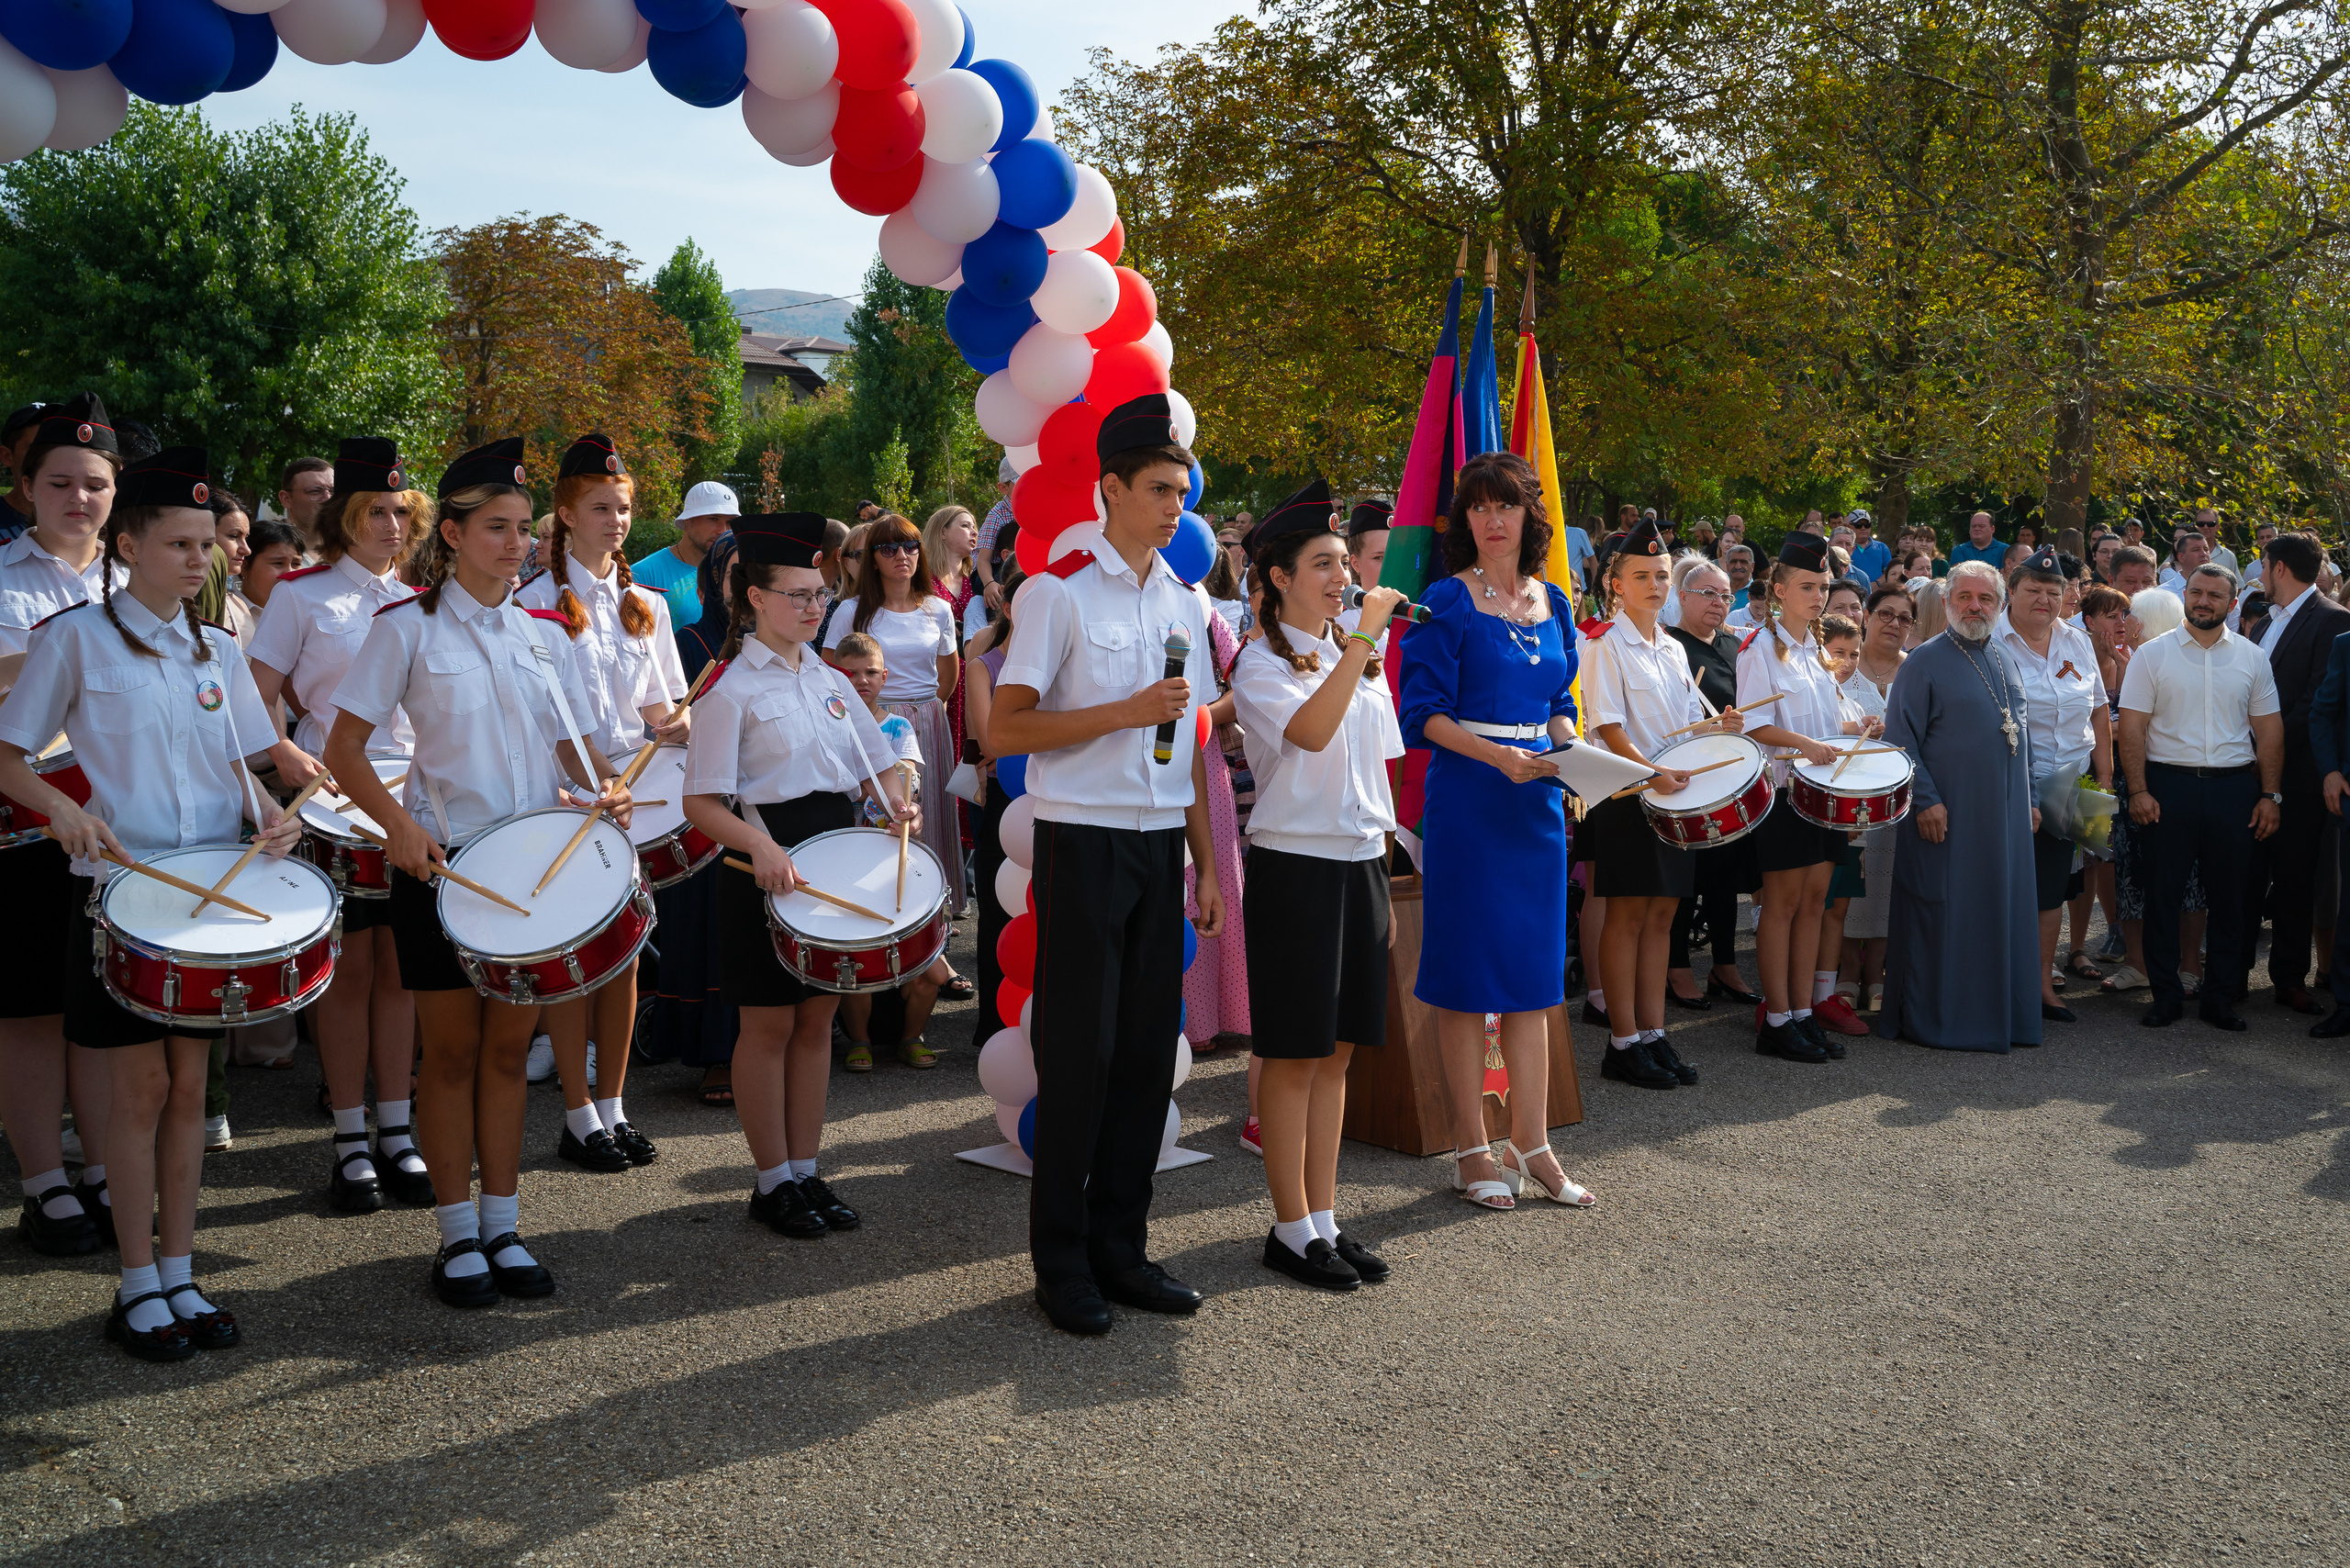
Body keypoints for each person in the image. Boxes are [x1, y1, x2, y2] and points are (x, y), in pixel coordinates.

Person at [0, 444, 308, 1359]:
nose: (198, 559)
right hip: (122, 898)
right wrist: (62, 810)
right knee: (135, 1092)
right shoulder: (74, 639)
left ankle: (181, 1271)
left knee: (187, 1092)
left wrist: (273, 818)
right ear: (127, 542)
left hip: (211, 896)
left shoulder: (218, 646)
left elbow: (247, 764)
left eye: (208, 544)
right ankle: (137, 1282)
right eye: (177, 542)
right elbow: (9, 756)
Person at [326, 439, 634, 1309]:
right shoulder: (406, 631)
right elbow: (344, 747)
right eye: (495, 527)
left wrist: (596, 792)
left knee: (509, 1052)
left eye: (523, 529)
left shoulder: (544, 634)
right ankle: (457, 1235)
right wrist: (396, 830)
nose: (515, 543)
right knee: (453, 1055)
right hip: (447, 869)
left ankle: (504, 1223)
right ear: (452, 535)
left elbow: (564, 750)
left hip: (534, 870)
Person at [987, 393, 1226, 1335]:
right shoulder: (1059, 590)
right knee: (1077, 1060)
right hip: (1080, 839)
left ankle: (1123, 1249)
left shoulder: (1185, 597)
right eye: (1160, 489)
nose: (1176, 506)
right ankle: (1062, 1264)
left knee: (1139, 1060)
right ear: (1111, 489)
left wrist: (1206, 865)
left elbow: (1195, 742)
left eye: (1183, 490)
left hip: (1159, 842)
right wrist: (1119, 713)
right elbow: (1004, 726)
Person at [682, 512, 907, 1238]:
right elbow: (700, 802)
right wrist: (761, 846)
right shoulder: (727, 688)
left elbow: (876, 759)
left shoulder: (827, 676)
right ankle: (770, 1179)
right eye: (799, 595)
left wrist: (897, 797)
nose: (816, 606)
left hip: (833, 852)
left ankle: (807, 1171)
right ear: (755, 598)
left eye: (820, 593)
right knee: (769, 1025)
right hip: (765, 864)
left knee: (816, 1022)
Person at [248, 438, 438, 1212]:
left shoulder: (430, 599)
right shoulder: (300, 594)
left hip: (415, 799)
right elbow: (254, 692)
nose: (391, 526)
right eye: (374, 512)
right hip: (335, 800)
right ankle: (350, 1135)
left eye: (402, 512)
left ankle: (398, 1128)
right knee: (349, 973)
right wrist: (285, 751)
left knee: (402, 972)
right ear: (342, 518)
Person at [1229, 500, 1411, 1289]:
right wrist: (1365, 641)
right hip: (1295, 864)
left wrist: (1388, 872)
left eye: (1347, 563)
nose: (1345, 578)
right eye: (1326, 566)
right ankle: (1288, 1226)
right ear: (1278, 578)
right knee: (1294, 1052)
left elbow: (1377, 770)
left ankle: (1326, 1217)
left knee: (1337, 1054)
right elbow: (1308, 734)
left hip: (1358, 861)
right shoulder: (1258, 662)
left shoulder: (1353, 655)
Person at [1400, 450, 1584, 1210]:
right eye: (1478, 507)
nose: (1492, 519)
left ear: (1529, 516)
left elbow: (1558, 696)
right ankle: (1472, 1147)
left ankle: (1532, 1141)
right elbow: (1423, 715)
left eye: (1505, 505)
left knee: (1534, 985)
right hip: (1472, 799)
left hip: (1538, 802)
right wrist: (1498, 758)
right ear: (1464, 521)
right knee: (1466, 983)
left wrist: (1572, 753)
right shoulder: (1444, 601)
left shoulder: (1556, 602)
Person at [518, 434, 690, 1169]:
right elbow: (546, 722)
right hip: (568, 799)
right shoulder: (529, 606)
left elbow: (665, 711)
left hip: (632, 803)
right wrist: (595, 785)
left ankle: (613, 1107)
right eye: (600, 507)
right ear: (564, 512)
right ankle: (577, 1112)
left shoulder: (642, 603)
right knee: (572, 957)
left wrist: (681, 722)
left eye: (623, 508)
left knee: (620, 956)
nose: (616, 520)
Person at [0, 397, 123, 1261]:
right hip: (30, 819)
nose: (79, 499)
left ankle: (105, 1168)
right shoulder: (4, 580)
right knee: (35, 1010)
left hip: (129, 826)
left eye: (96, 485)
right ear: (25, 488)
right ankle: (45, 1181)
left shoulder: (139, 576)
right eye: (60, 483)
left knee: (102, 1005)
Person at [1582, 521, 1745, 1090]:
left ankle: (1653, 1033)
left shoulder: (1672, 648)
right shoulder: (1604, 642)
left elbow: (1675, 726)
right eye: (1641, 576)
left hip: (1673, 794)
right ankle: (1621, 1040)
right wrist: (1653, 772)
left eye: (1660, 576)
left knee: (1663, 917)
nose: (1654, 585)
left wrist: (1713, 726)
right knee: (1627, 919)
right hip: (1629, 794)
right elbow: (1605, 724)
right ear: (1616, 583)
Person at [1876, 562, 2043, 1049]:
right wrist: (1926, 800)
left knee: (2000, 911)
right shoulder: (1924, 662)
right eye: (1965, 597)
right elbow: (1899, 740)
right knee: (1945, 913)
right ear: (1948, 602)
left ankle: (2002, 1017)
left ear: (2000, 604)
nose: (1975, 607)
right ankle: (1942, 1021)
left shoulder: (2006, 656)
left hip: (2006, 816)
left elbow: (2022, 736)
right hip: (1947, 815)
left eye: (1985, 599)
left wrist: (2030, 800)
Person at [2117, 563, 2282, 1030]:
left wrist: (2271, 795)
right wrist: (2139, 790)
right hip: (2167, 787)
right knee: (2163, 895)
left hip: (2234, 789)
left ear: (2232, 605)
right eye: (2196, 592)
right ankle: (2165, 996)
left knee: (2231, 899)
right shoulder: (2152, 655)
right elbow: (2132, 727)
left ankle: (2220, 998)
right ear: (2184, 595)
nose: (2203, 601)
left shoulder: (2252, 657)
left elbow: (2270, 731)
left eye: (2214, 595)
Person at [1737, 533, 1850, 1063]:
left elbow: (1827, 723)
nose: (1818, 595)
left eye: (1823, 586)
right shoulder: (1760, 647)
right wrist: (1806, 744)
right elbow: (1755, 727)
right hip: (1783, 792)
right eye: (1807, 586)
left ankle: (1802, 1013)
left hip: (1822, 795)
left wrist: (1857, 724)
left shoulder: (1820, 654)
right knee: (1781, 908)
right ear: (1779, 589)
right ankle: (1776, 1018)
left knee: (1812, 905)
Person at [822, 512, 967, 922]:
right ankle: (886, 910)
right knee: (885, 817)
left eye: (910, 546)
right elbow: (829, 670)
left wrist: (923, 708)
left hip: (926, 719)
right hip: (872, 721)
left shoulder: (938, 609)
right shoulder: (851, 610)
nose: (901, 555)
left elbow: (948, 672)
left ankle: (933, 910)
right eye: (888, 548)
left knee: (930, 813)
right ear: (873, 559)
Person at [2230, 534, 2349, 1015]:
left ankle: (2289, 978)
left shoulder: (2333, 620)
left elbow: (2317, 702)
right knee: (2243, 877)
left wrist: (2268, 747)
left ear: (2278, 567)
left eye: (2261, 564)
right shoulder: (2261, 625)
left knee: (2296, 879)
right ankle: (2233, 973)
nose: (2258, 573)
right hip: (2248, 773)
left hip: (2299, 776)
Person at [1995, 547, 2112, 1027]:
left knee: (2057, 889)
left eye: (2054, 591)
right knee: (2012, 887)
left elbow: (2099, 709)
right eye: (2033, 590)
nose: (2044, 599)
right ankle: (2004, 984)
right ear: (2013, 591)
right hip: (2017, 786)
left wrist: (2104, 780)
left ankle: (2042, 986)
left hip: (2076, 786)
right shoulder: (1991, 643)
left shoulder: (2077, 640)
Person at [829, 630, 955, 1070]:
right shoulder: (828, 724)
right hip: (847, 857)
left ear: (885, 677)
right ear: (834, 676)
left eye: (869, 673)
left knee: (932, 973)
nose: (860, 681)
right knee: (854, 962)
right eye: (849, 673)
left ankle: (911, 1037)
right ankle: (859, 1040)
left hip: (894, 854)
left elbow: (908, 782)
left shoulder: (898, 727)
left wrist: (893, 796)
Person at [1664, 559, 1763, 1011]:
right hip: (1685, 771)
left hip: (1731, 770)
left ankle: (1725, 964)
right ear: (1682, 598)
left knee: (1727, 875)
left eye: (1725, 596)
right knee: (1688, 875)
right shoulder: (1668, 644)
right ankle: (1677, 966)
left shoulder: (1738, 645)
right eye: (1707, 593)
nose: (1718, 603)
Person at [1836, 584, 1912, 1012]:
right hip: (1850, 792)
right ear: (1866, 616)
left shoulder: (1917, 669)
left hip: (1900, 795)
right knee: (1854, 883)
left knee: (1888, 883)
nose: (1894, 624)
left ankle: (1879, 972)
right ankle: (1848, 971)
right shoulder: (1842, 666)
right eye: (1886, 614)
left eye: (1904, 618)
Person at [631, 479, 739, 632]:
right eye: (713, 519)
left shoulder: (736, 574)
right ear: (688, 520)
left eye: (730, 522)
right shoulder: (642, 574)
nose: (723, 530)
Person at [0, 401, 47, 539]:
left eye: (56, 447)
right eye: (36, 448)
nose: (49, 457)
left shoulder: (82, 521)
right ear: (7, 456)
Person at [237, 521, 304, 613]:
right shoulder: (227, 612)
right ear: (244, 567)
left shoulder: (306, 613)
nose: (290, 573)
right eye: (278, 563)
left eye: (296, 564)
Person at [275, 456, 335, 553]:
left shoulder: (353, 550)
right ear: (286, 499)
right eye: (315, 491)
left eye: (333, 491)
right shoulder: (270, 551)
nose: (328, 498)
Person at [2158, 529, 2210, 596]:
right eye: (2196, 550)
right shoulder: (2163, 593)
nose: (2204, 554)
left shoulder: (2221, 588)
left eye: (2206, 550)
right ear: (2181, 557)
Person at [1849, 512, 1890, 584]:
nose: (1863, 528)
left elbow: (1890, 572)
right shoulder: (1845, 548)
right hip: (1851, 592)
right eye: (1858, 525)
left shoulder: (1882, 547)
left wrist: (1878, 583)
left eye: (1867, 525)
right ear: (1849, 526)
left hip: (1878, 593)